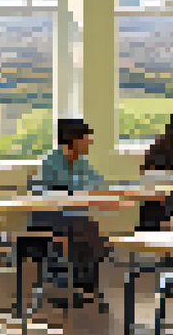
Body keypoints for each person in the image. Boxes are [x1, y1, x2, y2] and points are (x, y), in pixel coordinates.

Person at [33, 119, 119, 305]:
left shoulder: (81, 162)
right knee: (86, 229)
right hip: (48, 218)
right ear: (74, 140)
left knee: (86, 228)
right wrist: (74, 188)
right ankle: (83, 284)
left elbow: (98, 183)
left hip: (72, 216)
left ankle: (83, 285)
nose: (90, 142)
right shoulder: (51, 161)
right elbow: (41, 191)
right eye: (86, 138)